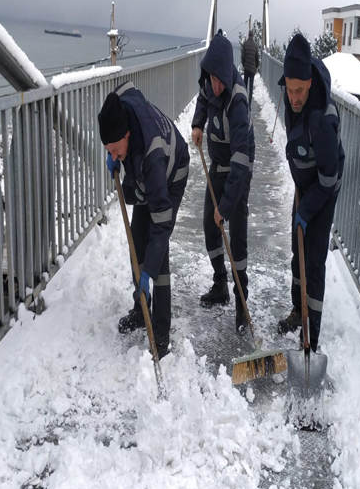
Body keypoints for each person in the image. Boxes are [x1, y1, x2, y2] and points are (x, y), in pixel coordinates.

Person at [100, 81, 190, 358]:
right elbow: (125, 90)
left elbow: (161, 224)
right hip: (145, 170)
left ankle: (160, 332)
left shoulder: (151, 153)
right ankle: (141, 311)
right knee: (136, 239)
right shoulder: (119, 109)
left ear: (127, 134)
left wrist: (148, 271)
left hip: (171, 173)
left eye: (116, 150)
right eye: (108, 150)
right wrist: (115, 156)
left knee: (156, 250)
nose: (113, 155)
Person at [275, 33, 345, 352]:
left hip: (323, 190)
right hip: (305, 186)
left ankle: (311, 338)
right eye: (289, 90)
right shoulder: (291, 96)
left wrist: (307, 209)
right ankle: (297, 310)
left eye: (300, 90)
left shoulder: (322, 121)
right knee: (297, 251)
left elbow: (329, 178)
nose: (294, 98)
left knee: (313, 262)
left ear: (310, 84)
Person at [192, 32, 256, 333]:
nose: (215, 86)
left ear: (228, 73)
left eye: (219, 80)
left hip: (238, 169)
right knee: (209, 225)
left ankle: (242, 302)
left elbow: (241, 162)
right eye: (211, 79)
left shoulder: (238, 102)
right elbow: (203, 100)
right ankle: (220, 284)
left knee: (237, 235)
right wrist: (197, 124)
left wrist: (227, 207)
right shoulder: (210, 83)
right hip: (217, 164)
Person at [242, 29, 260, 107]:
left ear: (248, 35)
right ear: (253, 36)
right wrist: (256, 67)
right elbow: (257, 58)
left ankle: (244, 101)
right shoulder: (255, 46)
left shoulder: (245, 44)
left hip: (246, 68)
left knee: (245, 85)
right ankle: (249, 104)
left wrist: (244, 64)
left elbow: (243, 56)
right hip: (252, 69)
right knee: (251, 86)